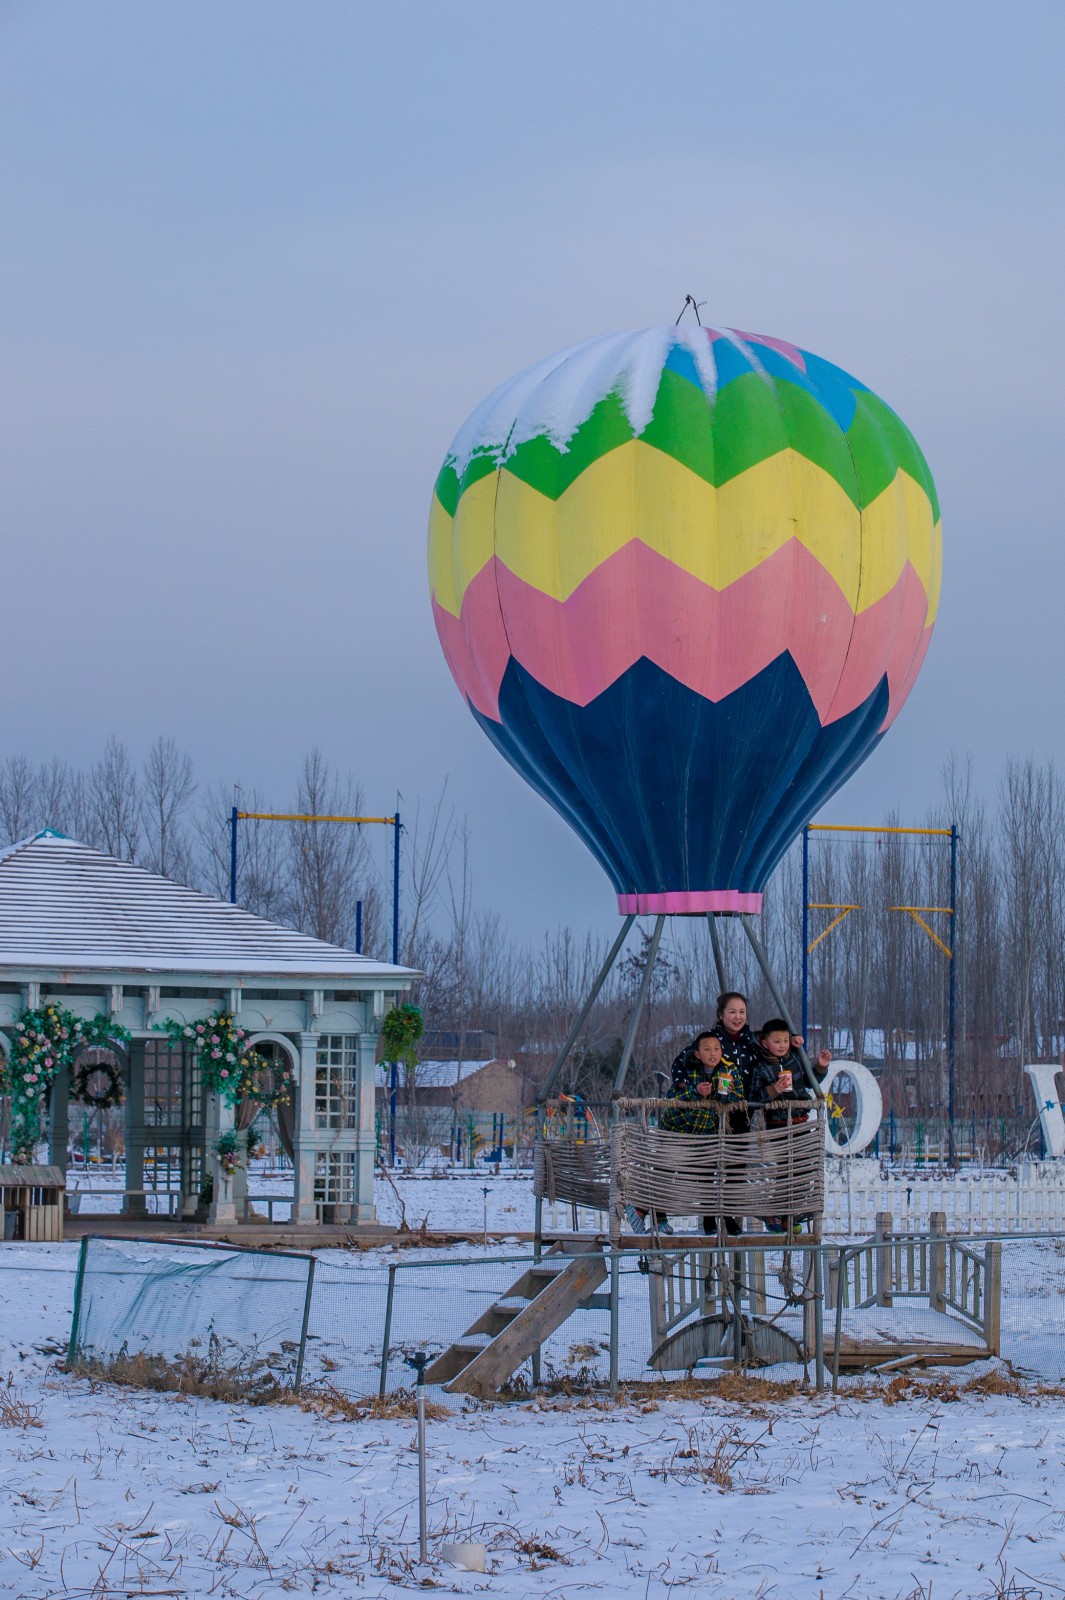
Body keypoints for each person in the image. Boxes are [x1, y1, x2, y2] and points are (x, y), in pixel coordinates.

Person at [753, 1017, 831, 1231]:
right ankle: (776, 1209)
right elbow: (756, 1096)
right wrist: (774, 1089)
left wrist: (820, 1067)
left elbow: (809, 1081)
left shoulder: (795, 1058)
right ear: (765, 1043)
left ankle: (790, 1212)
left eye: (785, 1041)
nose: (782, 1046)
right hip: (778, 1122)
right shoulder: (761, 1067)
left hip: (800, 1120)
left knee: (804, 1168)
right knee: (787, 1167)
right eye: (776, 1042)